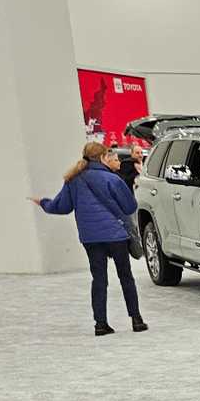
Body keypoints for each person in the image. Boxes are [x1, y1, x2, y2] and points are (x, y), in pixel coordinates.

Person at [31, 142, 146, 335]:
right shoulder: (112, 179)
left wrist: (43, 202)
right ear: (102, 157)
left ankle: (100, 324)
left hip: (90, 237)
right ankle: (136, 319)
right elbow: (129, 207)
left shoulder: (73, 180)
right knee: (125, 276)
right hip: (115, 234)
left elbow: (62, 206)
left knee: (99, 279)